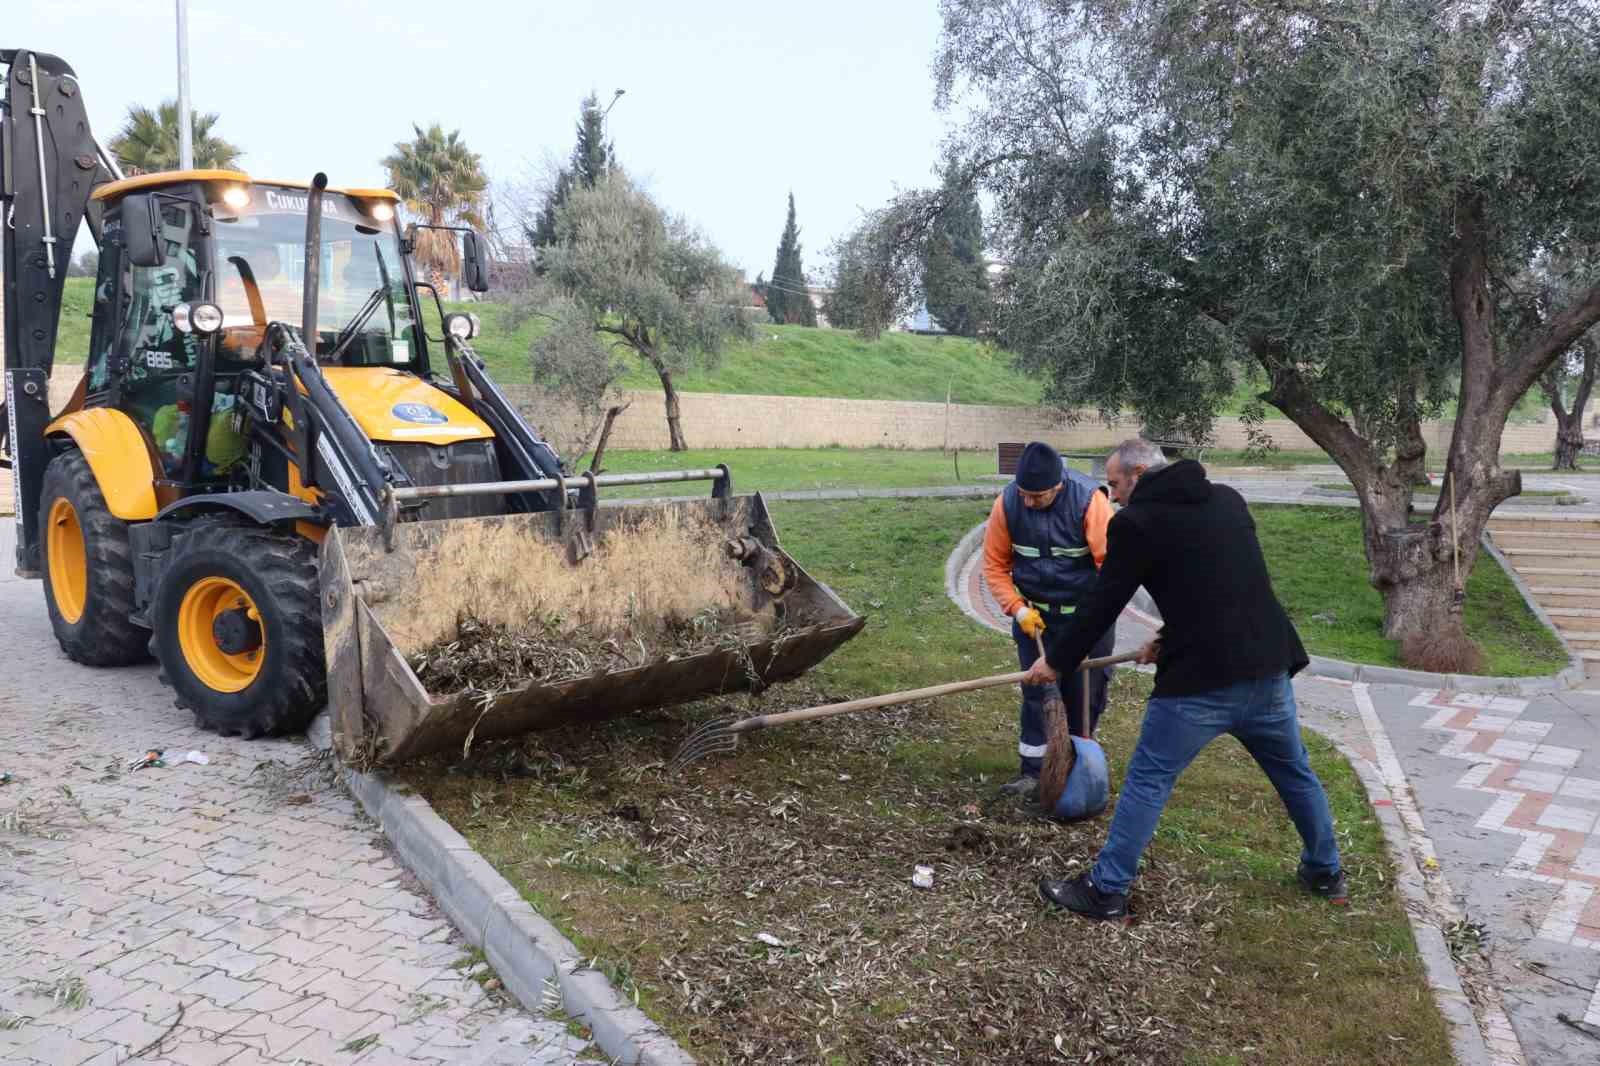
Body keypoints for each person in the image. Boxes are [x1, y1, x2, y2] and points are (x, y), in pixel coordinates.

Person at [1023, 438, 1345, 918]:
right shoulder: (1227, 499)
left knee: (1148, 780)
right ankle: (1326, 873)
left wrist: (1058, 661)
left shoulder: (1137, 524)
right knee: (1294, 772)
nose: (1112, 497)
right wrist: (1170, 634)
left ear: (1137, 473)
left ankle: (1106, 891)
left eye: (1113, 485)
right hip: (1266, 669)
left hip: (1200, 684)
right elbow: (1223, 583)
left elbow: (1103, 603)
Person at [982, 441, 1117, 799]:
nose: (1028, 502)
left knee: (1083, 696)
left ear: (1058, 486)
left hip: (1086, 622)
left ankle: (1074, 772)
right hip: (1035, 620)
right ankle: (1033, 772)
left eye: (1037, 496)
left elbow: (1114, 572)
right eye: (1024, 493)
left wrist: (1090, 622)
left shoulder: (1091, 502)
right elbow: (994, 566)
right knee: (1036, 693)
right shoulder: (1008, 504)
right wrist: (1017, 608)